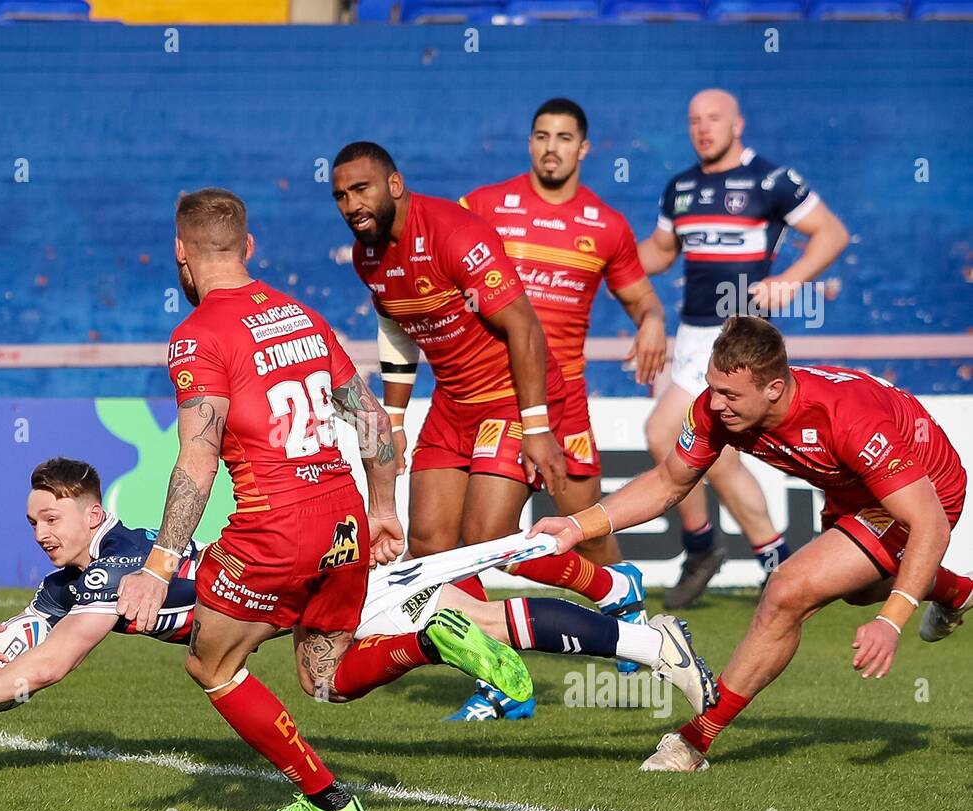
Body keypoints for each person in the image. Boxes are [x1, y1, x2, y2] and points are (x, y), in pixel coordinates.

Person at [0, 458, 718, 732]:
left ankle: (616, 606)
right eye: (33, 520)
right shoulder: (67, 578)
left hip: (282, 586)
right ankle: (649, 641)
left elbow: (51, 665)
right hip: (287, 594)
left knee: (348, 669)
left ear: (94, 511)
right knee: (467, 606)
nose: (40, 530)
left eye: (53, 516)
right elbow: (23, 647)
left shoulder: (111, 569)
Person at [529, 316, 972, 772]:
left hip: (925, 492)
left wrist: (893, 620)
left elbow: (930, 524)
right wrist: (578, 527)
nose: (715, 404)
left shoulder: (846, 417)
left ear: (775, 389)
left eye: (730, 395)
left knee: (787, 591)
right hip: (852, 491)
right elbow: (667, 483)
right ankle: (953, 590)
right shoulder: (717, 409)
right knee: (856, 589)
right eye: (712, 387)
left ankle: (693, 742)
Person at [333, 141, 650, 721]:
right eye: (341, 195)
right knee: (430, 547)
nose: (352, 203)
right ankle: (510, 664)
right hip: (453, 405)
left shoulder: (456, 232)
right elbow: (399, 333)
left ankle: (601, 593)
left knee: (486, 542)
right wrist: (396, 420)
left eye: (362, 189)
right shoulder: (368, 256)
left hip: (511, 398)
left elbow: (524, 328)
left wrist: (536, 427)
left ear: (395, 185)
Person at [638, 89, 850, 608]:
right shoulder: (682, 187)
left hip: (736, 335)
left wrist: (792, 279)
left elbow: (831, 233)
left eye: (714, 118)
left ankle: (701, 545)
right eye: (694, 120)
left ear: (738, 124)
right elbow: (659, 253)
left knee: (665, 430)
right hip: (691, 336)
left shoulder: (772, 181)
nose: (703, 128)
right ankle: (773, 558)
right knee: (718, 458)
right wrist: (600, 255)